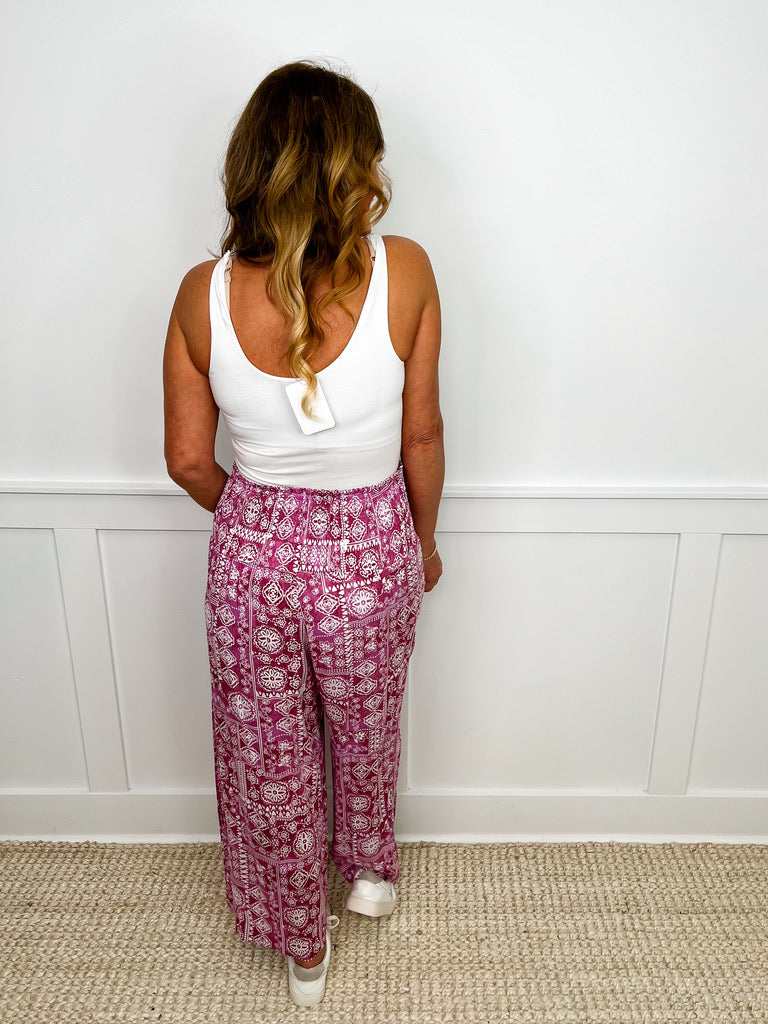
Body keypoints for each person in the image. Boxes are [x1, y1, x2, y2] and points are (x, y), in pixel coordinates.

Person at [162, 59, 444, 1008]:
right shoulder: (405, 271)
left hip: (253, 555)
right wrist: (423, 543)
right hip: (372, 544)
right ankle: (368, 875)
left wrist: (260, 521)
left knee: (270, 751)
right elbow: (422, 437)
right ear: (349, 169)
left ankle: (302, 949)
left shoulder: (200, 294)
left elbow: (188, 462)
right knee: (367, 718)